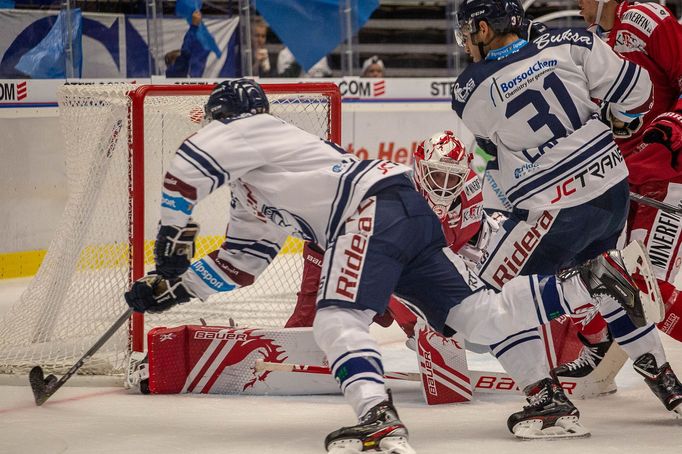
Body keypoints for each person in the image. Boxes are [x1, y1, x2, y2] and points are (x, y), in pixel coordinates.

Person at [124, 78, 656, 452]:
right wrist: (178, 290)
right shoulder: (252, 192)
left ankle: (377, 420)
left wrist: (171, 239)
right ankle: (577, 289)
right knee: (478, 316)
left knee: (337, 320)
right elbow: (242, 262)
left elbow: (189, 166)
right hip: (402, 211)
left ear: (225, 120)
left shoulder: (254, 127)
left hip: (369, 210)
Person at [452, 0, 682, 424]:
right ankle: (666, 380)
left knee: (485, 298)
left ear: (484, 29)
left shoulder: (469, 88)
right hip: (612, 191)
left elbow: (491, 143)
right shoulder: (573, 41)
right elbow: (639, 90)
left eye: (467, 33)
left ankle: (547, 400)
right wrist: (619, 119)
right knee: (596, 264)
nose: (465, 43)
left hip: (555, 204)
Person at [553, 0, 682, 395]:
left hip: (665, 177)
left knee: (645, 289)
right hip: (619, 180)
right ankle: (599, 353)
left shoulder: (647, 19)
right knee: (593, 271)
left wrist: (670, 135)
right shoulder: (591, 40)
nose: (577, 5)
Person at [165, 10, 209, 78]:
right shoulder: (174, 72)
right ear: (173, 63)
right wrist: (194, 26)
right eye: (179, 59)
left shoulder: (189, 71)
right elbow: (186, 51)